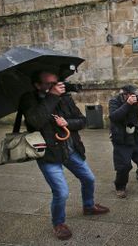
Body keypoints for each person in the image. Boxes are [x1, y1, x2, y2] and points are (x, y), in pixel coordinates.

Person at [19, 70, 109, 240]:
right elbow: (35, 121)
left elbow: (82, 121)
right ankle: (58, 223)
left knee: (88, 178)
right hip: (48, 153)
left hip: (70, 149)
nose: (56, 86)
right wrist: (51, 97)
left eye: (56, 82)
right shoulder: (28, 99)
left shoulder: (65, 97)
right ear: (37, 85)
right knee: (61, 192)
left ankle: (88, 206)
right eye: (49, 84)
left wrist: (68, 122)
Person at [109, 85, 138, 198]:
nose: (135, 97)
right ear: (126, 94)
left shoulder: (137, 101)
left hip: (135, 135)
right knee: (124, 165)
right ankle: (120, 187)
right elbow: (114, 117)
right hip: (121, 138)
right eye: (133, 95)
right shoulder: (114, 101)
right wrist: (127, 104)